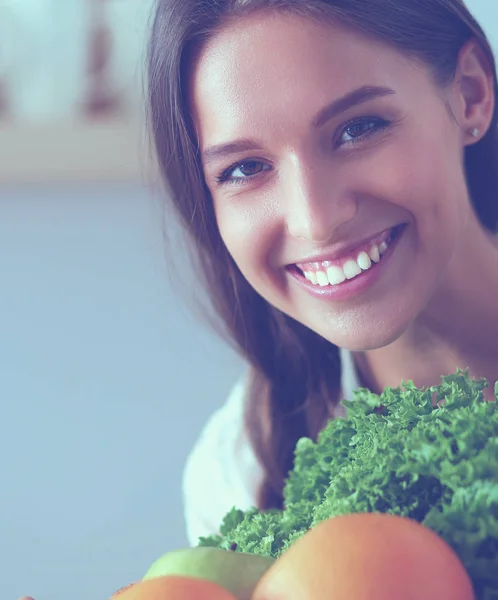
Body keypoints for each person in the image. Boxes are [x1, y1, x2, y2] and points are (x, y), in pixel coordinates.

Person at [146, 0, 498, 546]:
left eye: (357, 128)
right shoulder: (239, 475)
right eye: (245, 168)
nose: (315, 221)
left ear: (471, 94)